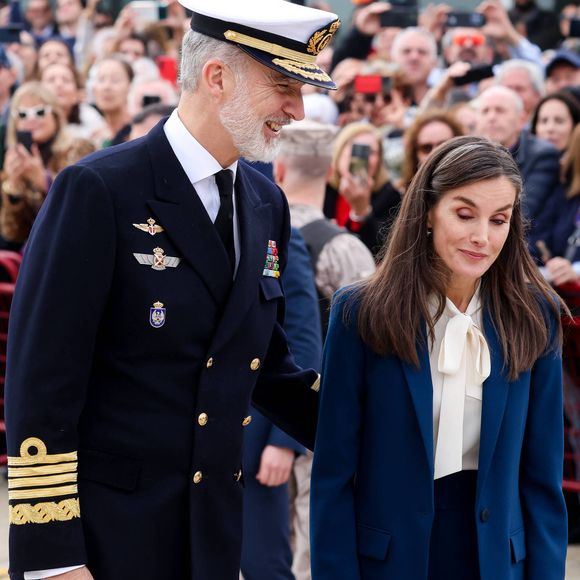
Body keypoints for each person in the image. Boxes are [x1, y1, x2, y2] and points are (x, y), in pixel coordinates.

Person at [5, 0, 340, 578]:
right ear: (217, 76)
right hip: (106, 538)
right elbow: (41, 381)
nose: (297, 109)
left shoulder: (265, 205)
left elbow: (266, 366)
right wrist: (53, 556)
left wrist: (386, 422)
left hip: (210, 534)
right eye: (284, 85)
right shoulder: (98, 190)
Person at [310, 135, 567, 579]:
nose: (481, 237)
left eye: (499, 220)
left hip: (496, 563)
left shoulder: (535, 314)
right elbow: (333, 476)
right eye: (465, 214)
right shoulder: (361, 312)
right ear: (428, 211)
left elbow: (542, 481)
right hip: (391, 563)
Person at [0, 81, 94, 246]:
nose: (31, 119)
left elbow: (81, 211)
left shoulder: (78, 149)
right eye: (22, 114)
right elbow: (13, 234)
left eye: (40, 112)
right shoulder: (15, 160)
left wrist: (43, 181)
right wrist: (13, 186)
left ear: (56, 116)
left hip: (72, 246)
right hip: (33, 253)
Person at [475, 85, 561, 223]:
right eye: (485, 111)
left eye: (500, 110)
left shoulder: (543, 156)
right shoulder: (467, 155)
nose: (491, 117)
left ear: (521, 119)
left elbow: (522, 213)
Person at [324, 122, 401, 256]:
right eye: (356, 150)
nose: (362, 159)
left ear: (379, 161)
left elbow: (385, 250)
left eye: (370, 152)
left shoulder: (390, 196)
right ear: (339, 153)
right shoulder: (325, 189)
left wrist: (362, 212)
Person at [400, 109, 463, 192]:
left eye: (443, 146)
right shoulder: (405, 199)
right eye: (426, 148)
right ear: (415, 155)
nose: (435, 153)